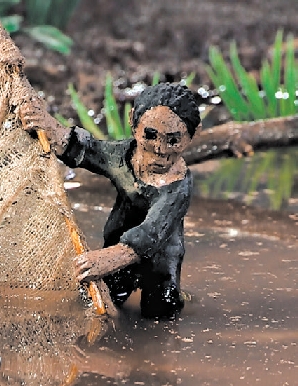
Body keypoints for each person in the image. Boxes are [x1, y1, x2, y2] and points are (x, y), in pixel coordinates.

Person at [20, 83, 201, 320]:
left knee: (160, 317)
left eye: (173, 140)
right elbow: (86, 150)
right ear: (133, 125)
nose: (160, 149)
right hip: (117, 245)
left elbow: (152, 232)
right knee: (97, 306)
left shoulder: (178, 187)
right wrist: (45, 123)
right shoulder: (123, 156)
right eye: (150, 135)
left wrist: (108, 259)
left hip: (160, 262)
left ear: (192, 136)